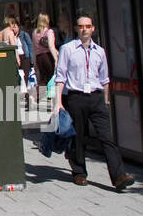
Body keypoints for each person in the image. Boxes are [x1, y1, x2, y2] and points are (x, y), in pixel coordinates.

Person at [53, 16, 133, 191]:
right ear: (76, 28)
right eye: (81, 26)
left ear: (93, 29)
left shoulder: (100, 51)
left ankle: (119, 176)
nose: (84, 29)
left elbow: (104, 78)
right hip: (75, 97)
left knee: (106, 137)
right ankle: (79, 172)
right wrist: (58, 102)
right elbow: (60, 77)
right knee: (78, 136)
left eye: (87, 26)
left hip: (96, 97)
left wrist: (105, 100)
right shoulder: (68, 49)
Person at [33, 13, 59, 107]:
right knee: (52, 77)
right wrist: (56, 59)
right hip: (48, 56)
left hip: (39, 57)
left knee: (43, 78)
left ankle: (37, 96)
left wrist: (35, 61)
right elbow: (51, 46)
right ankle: (51, 99)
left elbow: (34, 48)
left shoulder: (35, 32)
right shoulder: (49, 32)